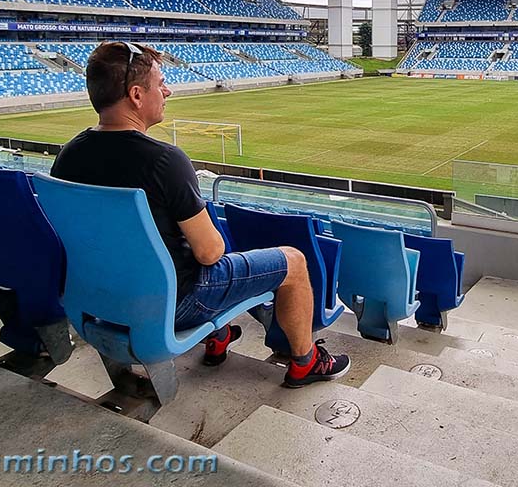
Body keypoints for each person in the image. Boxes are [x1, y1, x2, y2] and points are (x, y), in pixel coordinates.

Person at [49, 41, 349, 387]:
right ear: (135, 95)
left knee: (194, 248)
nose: (167, 90)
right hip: (169, 305)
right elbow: (210, 253)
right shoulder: (164, 160)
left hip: (96, 298)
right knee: (291, 262)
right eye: (160, 83)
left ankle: (218, 336)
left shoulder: (68, 155)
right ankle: (306, 363)